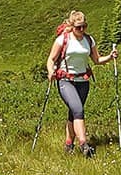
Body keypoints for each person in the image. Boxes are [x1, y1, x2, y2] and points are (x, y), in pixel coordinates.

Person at [45, 10, 115, 157]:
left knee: (73, 113)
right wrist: (51, 71)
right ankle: (84, 144)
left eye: (84, 26)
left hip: (83, 81)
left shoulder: (89, 40)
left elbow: (96, 60)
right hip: (66, 81)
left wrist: (110, 57)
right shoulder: (62, 40)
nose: (82, 30)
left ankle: (69, 144)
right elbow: (51, 59)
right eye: (78, 27)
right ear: (72, 26)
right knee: (78, 110)